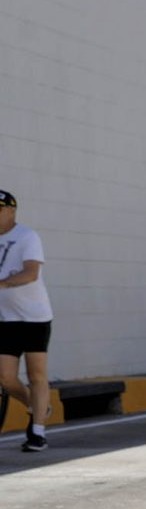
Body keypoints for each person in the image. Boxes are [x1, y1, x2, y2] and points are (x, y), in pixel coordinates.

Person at [0, 189, 53, 453]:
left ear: (11, 211)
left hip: (34, 317)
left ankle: (37, 432)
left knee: (36, 374)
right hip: (6, 319)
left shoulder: (27, 237)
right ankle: (36, 404)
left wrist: (3, 283)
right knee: (6, 378)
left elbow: (31, 273)